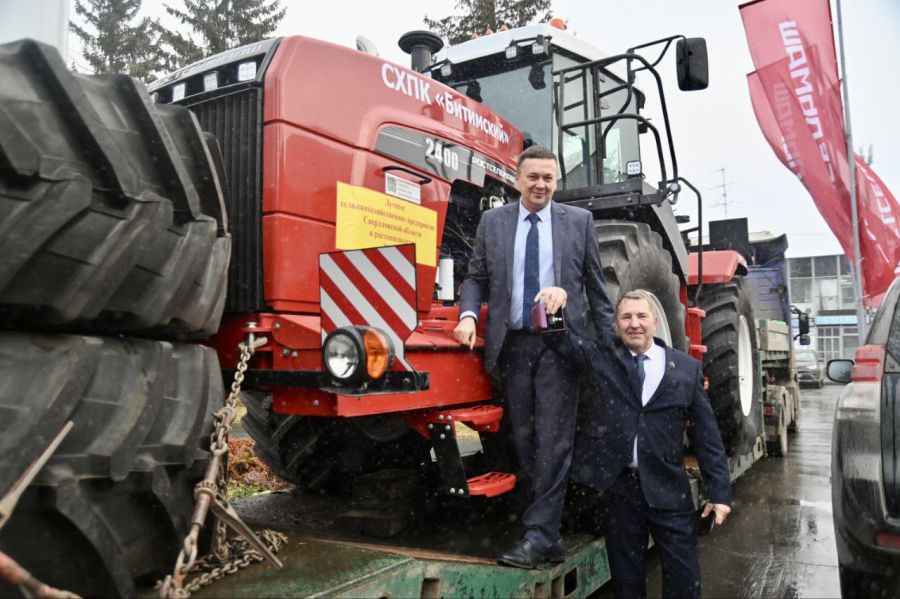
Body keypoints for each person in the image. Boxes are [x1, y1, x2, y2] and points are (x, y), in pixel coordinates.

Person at [453, 145, 615, 568]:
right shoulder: (494, 222)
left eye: (549, 178)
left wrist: (614, 348)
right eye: (533, 177)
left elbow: (597, 290)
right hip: (514, 346)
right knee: (523, 439)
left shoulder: (578, 222)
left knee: (553, 441)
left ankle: (540, 535)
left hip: (560, 346)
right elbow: (475, 277)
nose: (541, 185)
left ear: (556, 181)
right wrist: (469, 315)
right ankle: (549, 534)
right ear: (518, 179)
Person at [541, 287, 732, 598]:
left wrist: (720, 492)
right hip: (620, 494)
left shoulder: (685, 369)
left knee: (684, 583)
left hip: (669, 490)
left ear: (654, 321)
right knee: (627, 586)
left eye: (641, 316)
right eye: (626, 317)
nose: (634, 324)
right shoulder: (602, 359)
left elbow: (707, 436)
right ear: (616, 324)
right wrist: (554, 309)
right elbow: (559, 341)